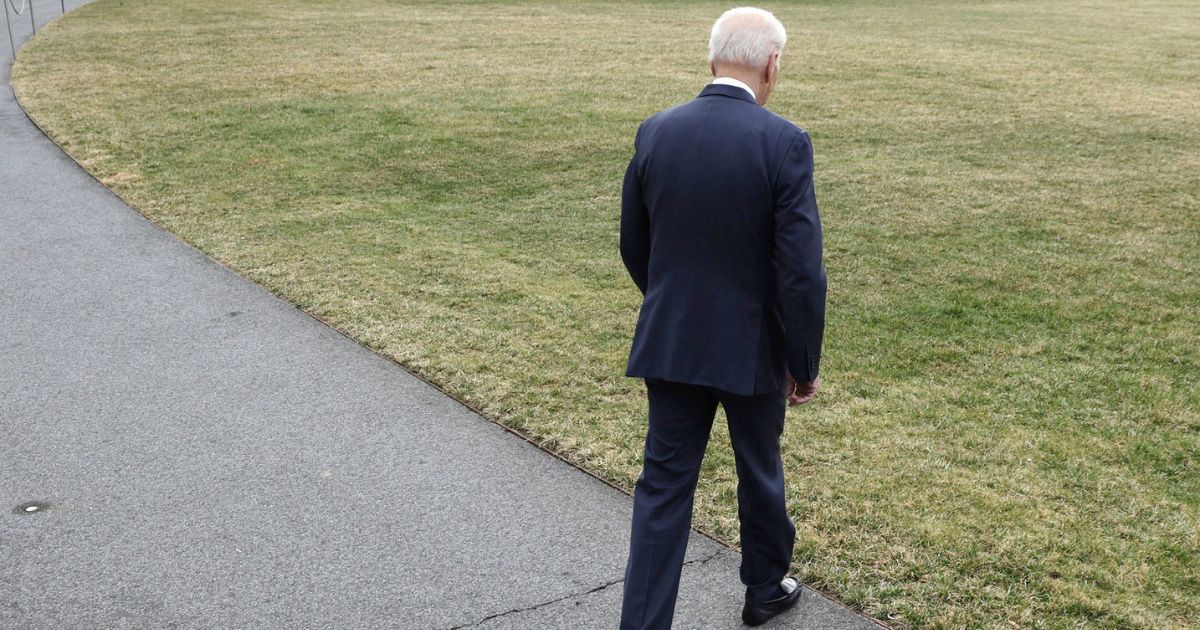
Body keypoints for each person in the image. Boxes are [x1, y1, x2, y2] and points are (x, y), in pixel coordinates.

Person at [617, 6, 827, 629]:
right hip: (753, 344)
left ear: (713, 59)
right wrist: (803, 361)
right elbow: (801, 271)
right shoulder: (784, 141)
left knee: (663, 486)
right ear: (772, 65)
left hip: (674, 337)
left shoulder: (656, 130)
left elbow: (635, 241)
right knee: (758, 466)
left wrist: (670, 301)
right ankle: (764, 585)